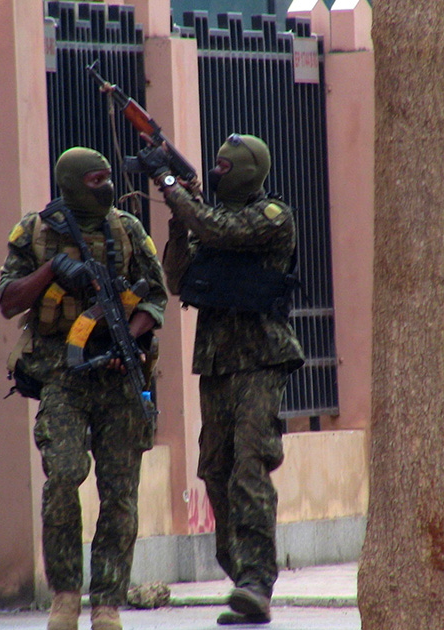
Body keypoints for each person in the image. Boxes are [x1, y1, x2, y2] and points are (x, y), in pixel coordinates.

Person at [0, 147, 167, 630]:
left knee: (120, 492)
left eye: (109, 179)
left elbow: (154, 296)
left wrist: (127, 340)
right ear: (72, 183)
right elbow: (9, 301)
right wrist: (53, 270)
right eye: (96, 180)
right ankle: (66, 596)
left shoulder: (129, 230)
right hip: (62, 373)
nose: (107, 187)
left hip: (118, 375)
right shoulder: (34, 231)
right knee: (64, 477)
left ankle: (108, 602)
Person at [148, 133, 303, 626]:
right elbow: (177, 279)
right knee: (215, 469)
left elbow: (224, 231)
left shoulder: (272, 217)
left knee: (250, 467)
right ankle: (239, 575)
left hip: (261, 359)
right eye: (212, 166)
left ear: (246, 171)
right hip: (216, 362)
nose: (215, 174)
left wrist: (171, 184)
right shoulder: (205, 221)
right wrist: (178, 217)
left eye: (223, 166)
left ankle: (258, 580)